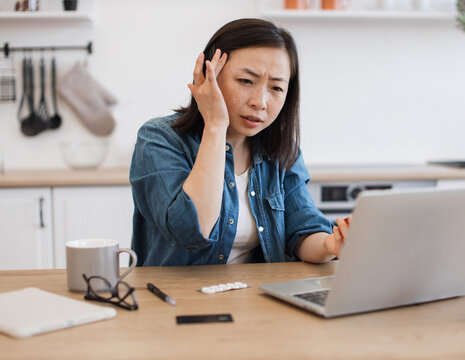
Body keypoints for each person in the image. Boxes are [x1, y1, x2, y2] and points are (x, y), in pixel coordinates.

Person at [130, 18, 350, 266]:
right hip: (178, 300)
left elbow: (303, 229)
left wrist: (330, 245)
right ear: (208, 76)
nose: (260, 101)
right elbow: (191, 231)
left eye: (276, 88)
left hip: (256, 299)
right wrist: (215, 127)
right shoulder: (158, 139)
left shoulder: (280, 149)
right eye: (246, 81)